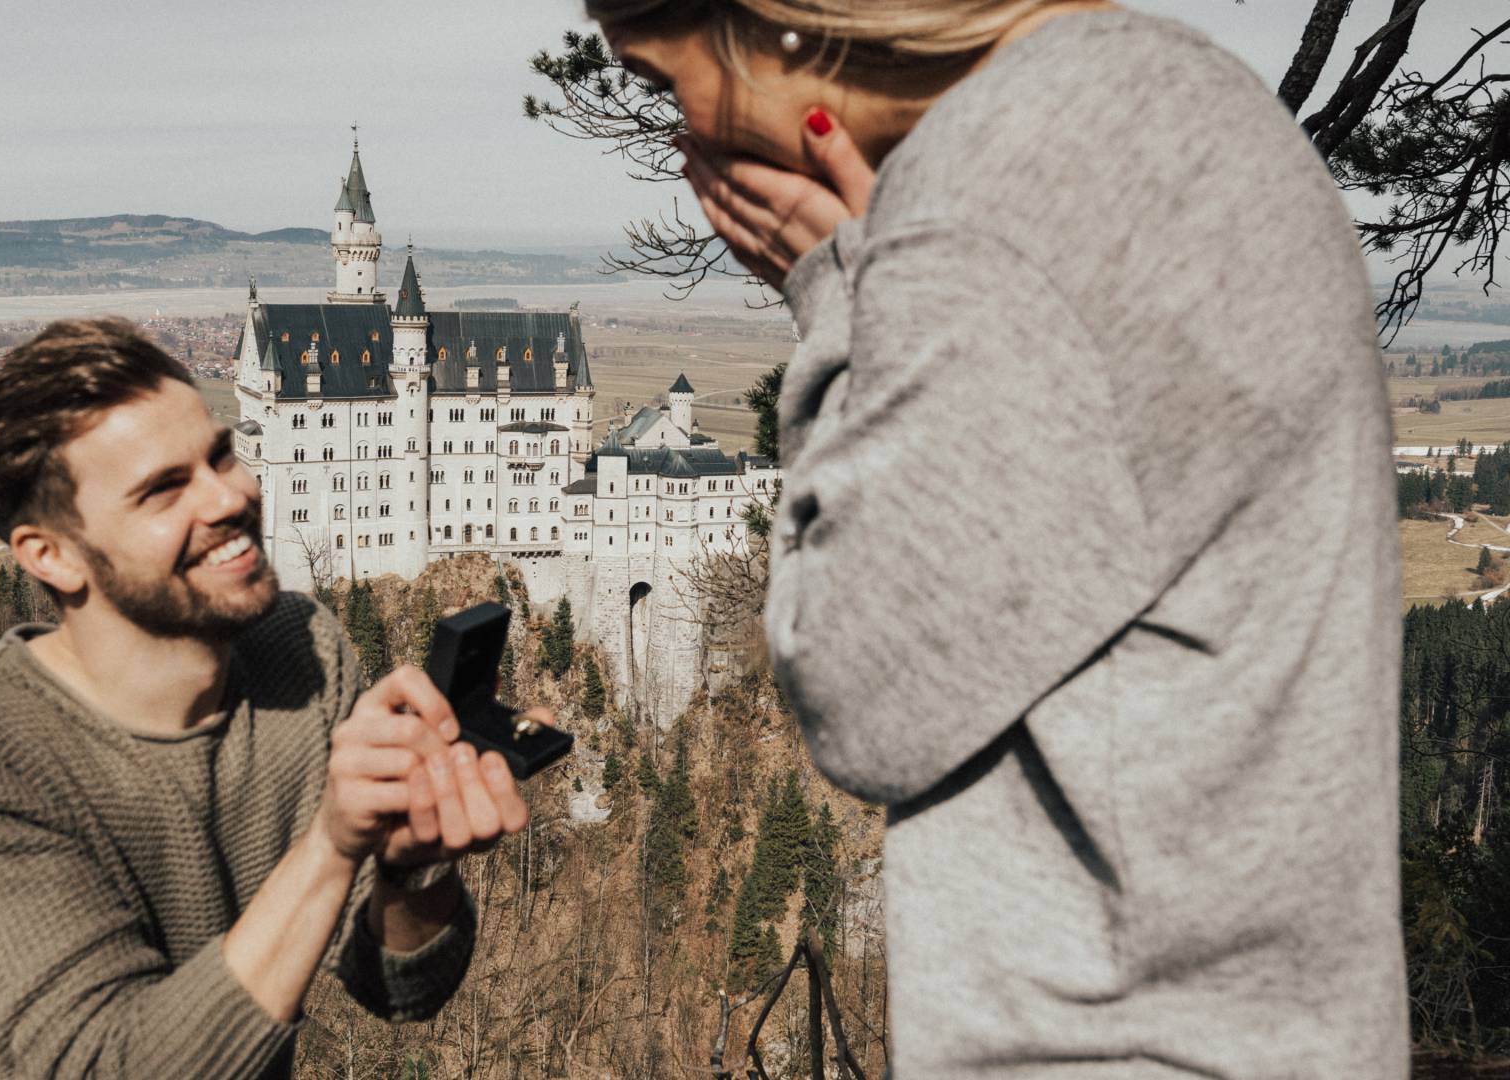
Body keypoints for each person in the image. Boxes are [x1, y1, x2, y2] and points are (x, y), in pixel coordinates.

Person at [588, 1, 1407, 1076]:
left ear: (780, 24)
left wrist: (838, 290)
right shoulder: (1192, 106)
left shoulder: (999, 196)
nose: (677, 139)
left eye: (663, 81)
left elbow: (860, 691)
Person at [0, 318, 542, 1078]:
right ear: (51, 555)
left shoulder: (300, 650)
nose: (231, 495)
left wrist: (410, 866)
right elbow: (107, 1066)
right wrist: (332, 846)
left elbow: (399, 988)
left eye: (220, 455)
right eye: (164, 490)